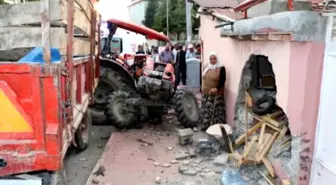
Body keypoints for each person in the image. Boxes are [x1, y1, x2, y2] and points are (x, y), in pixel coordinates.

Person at [199, 52, 226, 131]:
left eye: (214, 59)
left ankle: (215, 129)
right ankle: (206, 126)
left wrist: (216, 88)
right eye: (211, 58)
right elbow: (203, 78)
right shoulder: (206, 67)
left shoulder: (221, 68)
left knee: (216, 112)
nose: (212, 60)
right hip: (206, 94)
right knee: (206, 111)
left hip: (216, 95)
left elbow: (223, 80)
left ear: (217, 59)